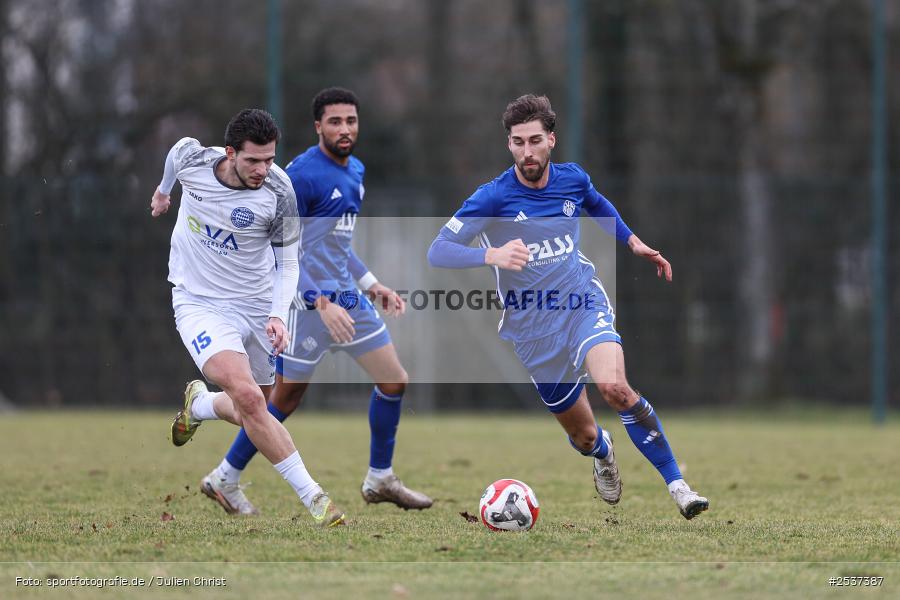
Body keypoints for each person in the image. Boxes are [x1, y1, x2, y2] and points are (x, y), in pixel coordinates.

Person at [427, 95, 709, 519]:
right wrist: (492, 255)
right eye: (518, 142)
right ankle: (602, 451)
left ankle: (679, 486)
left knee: (614, 387)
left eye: (535, 140)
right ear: (509, 146)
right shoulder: (492, 197)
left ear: (551, 140)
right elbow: (439, 250)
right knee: (582, 436)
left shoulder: (573, 180)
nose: (527, 152)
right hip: (532, 330)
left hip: (582, 303)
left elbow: (596, 204)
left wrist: (633, 243)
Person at [196, 88, 432, 516]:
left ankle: (380, 477)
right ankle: (224, 478)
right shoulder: (298, 176)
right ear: (317, 126)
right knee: (280, 402)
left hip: (349, 299)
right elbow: (280, 249)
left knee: (394, 380)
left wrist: (371, 283)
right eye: (335, 121)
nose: (345, 129)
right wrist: (319, 301)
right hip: (306, 307)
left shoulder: (355, 169)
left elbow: (336, 242)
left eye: (351, 121)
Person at [151, 108, 345, 527]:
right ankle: (316, 500)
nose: (263, 169)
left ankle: (199, 404)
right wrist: (165, 191)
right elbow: (173, 155)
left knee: (255, 408)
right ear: (230, 152)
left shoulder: (280, 192)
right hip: (198, 302)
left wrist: (277, 316)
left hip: (257, 306)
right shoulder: (193, 160)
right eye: (253, 160)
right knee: (253, 401)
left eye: (270, 159)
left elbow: (288, 263)